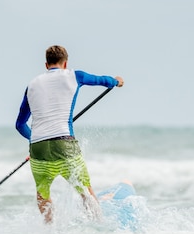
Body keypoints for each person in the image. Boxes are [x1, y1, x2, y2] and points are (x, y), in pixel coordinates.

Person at [15, 45, 124, 223]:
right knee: (85, 192)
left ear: (46, 65)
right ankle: (100, 227)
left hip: (38, 148)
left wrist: (35, 140)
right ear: (65, 63)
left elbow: (20, 124)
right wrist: (116, 81)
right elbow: (102, 80)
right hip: (64, 144)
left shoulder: (31, 85)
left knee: (43, 195)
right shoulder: (75, 75)